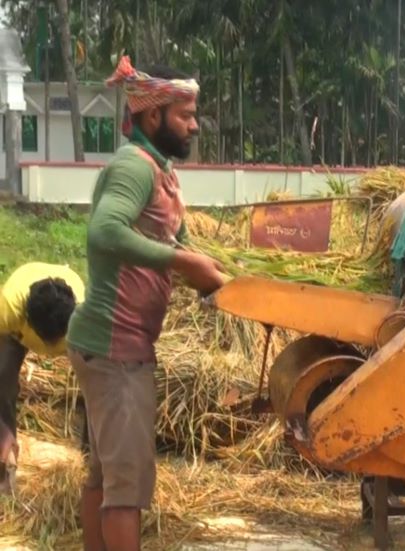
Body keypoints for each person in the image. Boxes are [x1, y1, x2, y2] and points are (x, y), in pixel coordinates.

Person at [67, 56, 226, 551]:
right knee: (127, 488)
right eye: (185, 115)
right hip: (115, 352)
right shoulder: (133, 168)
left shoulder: (158, 170)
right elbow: (104, 231)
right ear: (152, 116)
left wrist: (205, 265)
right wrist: (183, 266)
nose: (195, 124)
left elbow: (165, 239)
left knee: (106, 475)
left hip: (111, 346)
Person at [0, 262, 84, 494]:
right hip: (16, 335)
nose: (47, 347)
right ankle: (4, 468)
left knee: (93, 393)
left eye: (54, 340)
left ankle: (91, 469)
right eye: (44, 338)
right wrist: (2, 429)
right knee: (2, 379)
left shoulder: (86, 319)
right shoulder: (8, 307)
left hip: (75, 338)